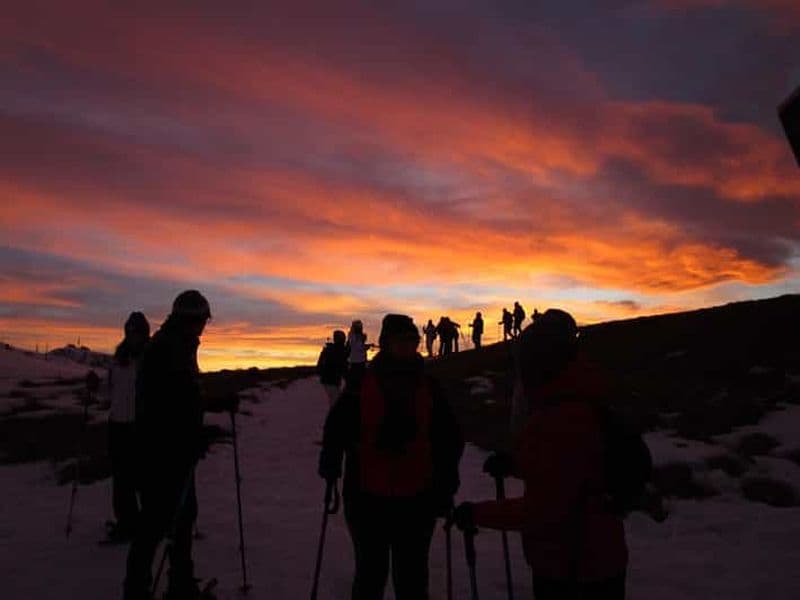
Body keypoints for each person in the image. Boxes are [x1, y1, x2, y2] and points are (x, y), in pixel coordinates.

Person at [451, 310, 628, 600]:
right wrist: (518, 464)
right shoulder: (586, 399)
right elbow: (571, 472)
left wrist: (477, 513)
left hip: (570, 565)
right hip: (602, 555)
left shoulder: (555, 418)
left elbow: (544, 511)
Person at [319, 314, 464, 600]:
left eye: (413, 341)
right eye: (401, 341)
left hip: (417, 498)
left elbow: (449, 440)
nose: (408, 347)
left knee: (411, 579)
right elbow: (336, 430)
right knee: (370, 576)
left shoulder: (430, 388)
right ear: (386, 344)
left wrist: (446, 484)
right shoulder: (360, 386)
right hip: (366, 499)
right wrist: (330, 462)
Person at [124, 290, 213, 600]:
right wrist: (191, 435)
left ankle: (180, 585)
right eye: (202, 321)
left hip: (173, 451)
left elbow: (185, 398)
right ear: (192, 319)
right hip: (162, 455)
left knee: (181, 518)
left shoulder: (177, 345)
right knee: (155, 523)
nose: (203, 328)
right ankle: (140, 591)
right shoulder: (168, 350)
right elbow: (165, 407)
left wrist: (211, 406)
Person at [106, 311, 150, 542]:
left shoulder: (150, 360)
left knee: (142, 479)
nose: (133, 337)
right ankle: (126, 523)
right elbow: (110, 391)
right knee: (121, 480)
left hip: (139, 427)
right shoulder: (118, 360)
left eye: (137, 333)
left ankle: (147, 523)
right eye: (130, 332)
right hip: (117, 425)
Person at [317, 330, 349, 405]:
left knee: (335, 401)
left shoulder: (330, 349)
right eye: (342, 338)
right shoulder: (336, 350)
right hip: (330, 380)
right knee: (335, 402)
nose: (344, 340)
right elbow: (341, 362)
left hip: (330, 380)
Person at [346, 320, 373, 390]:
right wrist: (366, 346)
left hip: (359, 362)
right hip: (357, 362)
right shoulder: (353, 336)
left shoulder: (354, 336)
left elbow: (358, 346)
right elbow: (358, 347)